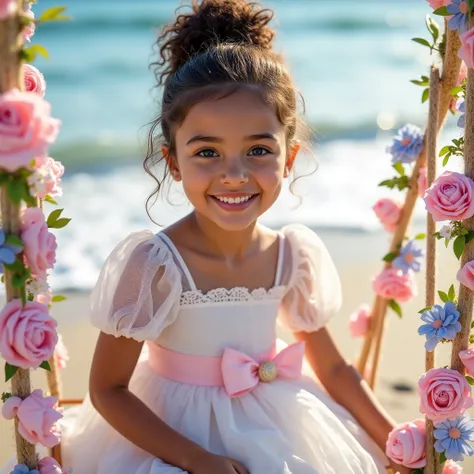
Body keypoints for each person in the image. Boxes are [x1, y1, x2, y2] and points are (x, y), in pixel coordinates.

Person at [60, 1, 410, 473]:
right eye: (207, 151)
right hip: (176, 438)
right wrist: (196, 460)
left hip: (276, 423)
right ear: (173, 161)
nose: (234, 175)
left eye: (259, 150)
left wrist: (394, 438)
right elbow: (107, 389)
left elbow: (333, 369)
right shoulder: (156, 264)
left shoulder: (290, 255)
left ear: (289, 159)